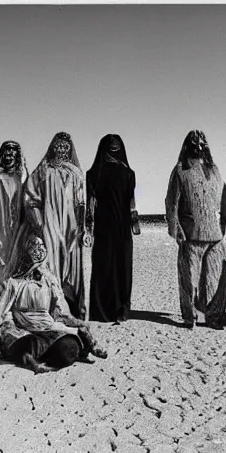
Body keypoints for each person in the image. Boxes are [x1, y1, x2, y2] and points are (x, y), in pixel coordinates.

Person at [0, 234, 107, 373]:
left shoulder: (50, 281)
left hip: (48, 330)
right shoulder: (14, 283)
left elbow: (61, 313)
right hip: (22, 331)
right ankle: (34, 358)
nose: (41, 267)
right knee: (29, 344)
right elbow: (1, 312)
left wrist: (80, 325)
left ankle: (42, 356)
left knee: (68, 349)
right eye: (38, 264)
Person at [11, 132, 87, 320]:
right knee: (51, 264)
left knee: (71, 265)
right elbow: (30, 198)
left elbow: (81, 202)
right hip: (49, 225)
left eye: (65, 147)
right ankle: (53, 306)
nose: (61, 150)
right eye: (58, 146)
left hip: (71, 226)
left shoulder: (75, 172)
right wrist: (39, 223)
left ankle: (72, 305)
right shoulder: (42, 170)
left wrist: (82, 226)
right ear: (52, 147)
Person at [165, 130, 226, 330]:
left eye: (201, 143)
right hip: (190, 235)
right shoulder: (180, 170)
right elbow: (172, 202)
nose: (198, 147)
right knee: (189, 278)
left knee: (214, 278)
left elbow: (225, 198)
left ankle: (213, 317)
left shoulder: (214, 170)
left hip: (214, 236)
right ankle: (189, 316)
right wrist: (176, 229)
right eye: (194, 143)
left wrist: (224, 226)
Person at [86, 134, 137, 323]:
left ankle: (104, 311)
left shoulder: (94, 173)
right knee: (119, 268)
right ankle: (120, 311)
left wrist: (89, 228)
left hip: (107, 228)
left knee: (106, 268)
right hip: (117, 229)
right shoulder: (126, 173)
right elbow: (131, 202)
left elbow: (91, 205)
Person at [0, 140, 29, 314]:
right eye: (6, 153)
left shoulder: (22, 176)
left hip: (18, 229)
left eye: (13, 153)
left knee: (16, 265)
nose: (9, 156)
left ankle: (13, 305)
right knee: (0, 267)